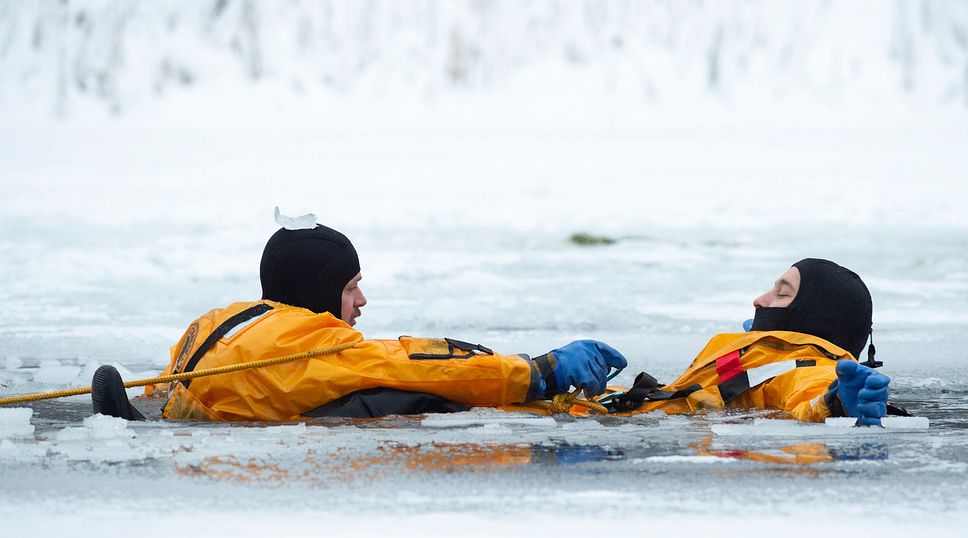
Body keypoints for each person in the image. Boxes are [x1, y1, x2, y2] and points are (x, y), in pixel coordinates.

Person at [93, 220, 626, 422]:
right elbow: (414, 365)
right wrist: (539, 371)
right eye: (351, 287)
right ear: (317, 292)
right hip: (245, 422)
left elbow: (166, 384)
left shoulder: (221, 321)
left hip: (195, 412)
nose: (363, 301)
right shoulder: (310, 344)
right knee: (403, 397)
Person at [593, 258, 892, 425]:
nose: (759, 300)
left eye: (783, 294)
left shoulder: (811, 367)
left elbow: (808, 390)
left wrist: (834, 403)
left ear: (817, 317)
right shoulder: (767, 356)